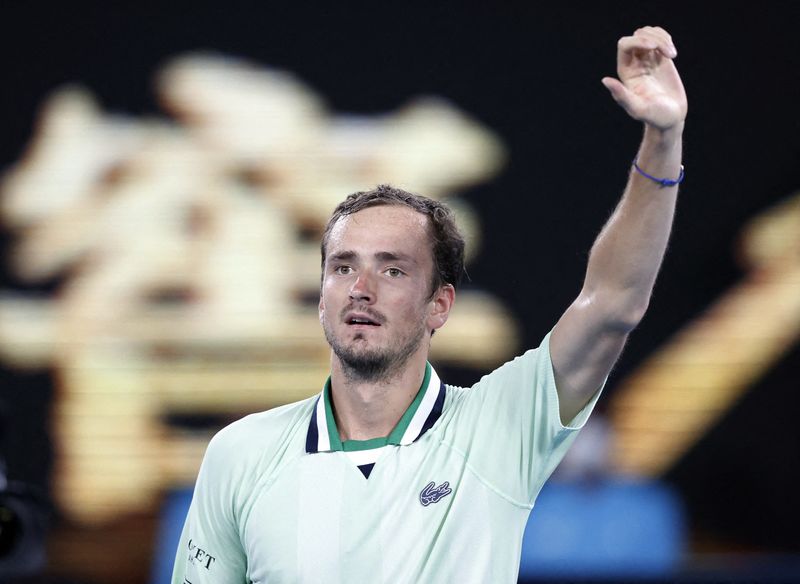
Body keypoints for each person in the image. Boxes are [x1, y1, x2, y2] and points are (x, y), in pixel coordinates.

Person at [172, 25, 686, 583]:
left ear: (440, 304)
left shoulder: (498, 430)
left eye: (392, 268)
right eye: (342, 266)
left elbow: (612, 303)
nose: (360, 287)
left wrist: (662, 140)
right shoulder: (240, 455)